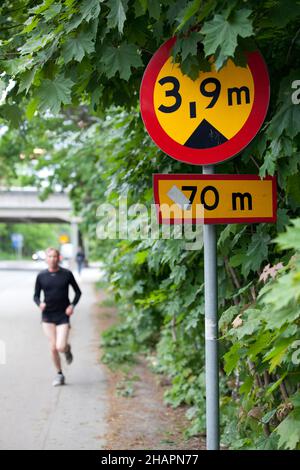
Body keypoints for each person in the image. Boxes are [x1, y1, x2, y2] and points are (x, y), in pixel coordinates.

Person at [33, 247, 82, 387]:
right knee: (53, 347)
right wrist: (39, 303)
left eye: (55, 256)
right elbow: (35, 296)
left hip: (62, 315)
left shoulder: (66, 274)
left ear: (58, 258)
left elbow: (78, 292)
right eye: (50, 256)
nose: (52, 259)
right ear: (46, 259)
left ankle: (67, 349)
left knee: (60, 346)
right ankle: (59, 374)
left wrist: (72, 306)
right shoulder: (41, 276)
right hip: (47, 315)